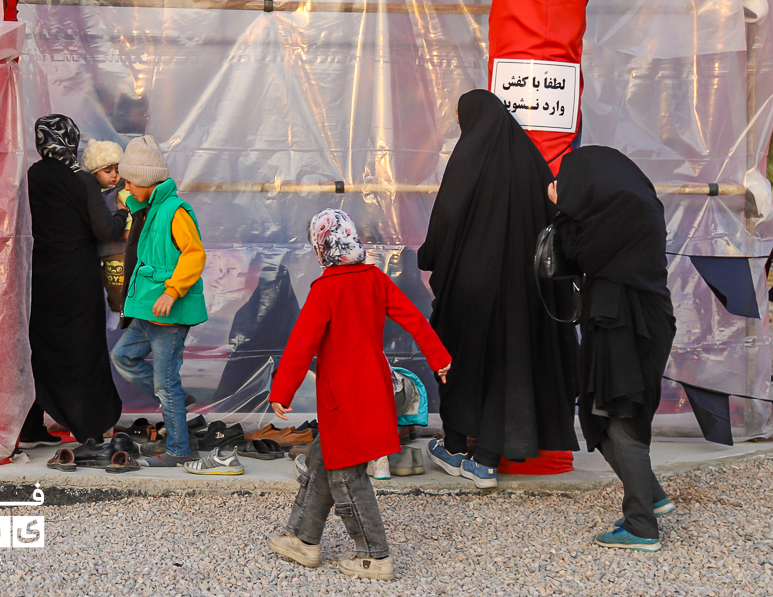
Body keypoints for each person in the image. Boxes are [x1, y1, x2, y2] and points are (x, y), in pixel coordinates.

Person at [266, 209, 451, 581]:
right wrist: (440, 358)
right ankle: (302, 538)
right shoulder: (375, 278)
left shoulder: (325, 289)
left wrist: (282, 390)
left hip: (341, 397)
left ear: (321, 247)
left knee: (347, 476)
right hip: (375, 389)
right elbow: (414, 318)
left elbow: (301, 344)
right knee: (322, 459)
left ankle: (373, 555)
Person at [418, 89, 580, 489]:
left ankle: (455, 445)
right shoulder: (532, 162)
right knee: (507, 365)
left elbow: (448, 215)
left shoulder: (468, 159)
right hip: (524, 293)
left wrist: (430, 255)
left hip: (471, 288)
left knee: (460, 359)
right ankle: (487, 460)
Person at [550, 144, 677, 552]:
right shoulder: (635, 207)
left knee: (619, 416)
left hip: (622, 324)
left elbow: (573, 254)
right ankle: (652, 497)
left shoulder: (607, 222)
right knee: (600, 412)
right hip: (639, 320)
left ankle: (641, 526)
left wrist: (561, 207)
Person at [22, 115, 128, 447]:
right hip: (77, 278)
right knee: (83, 350)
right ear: (71, 139)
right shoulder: (80, 179)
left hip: (39, 279)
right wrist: (122, 213)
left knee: (40, 351)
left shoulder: (30, 176)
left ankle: (31, 428)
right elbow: (105, 231)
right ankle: (90, 428)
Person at [109, 135, 208, 467]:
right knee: (123, 357)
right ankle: (176, 401)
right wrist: (125, 192)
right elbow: (129, 194)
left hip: (168, 313)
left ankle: (179, 449)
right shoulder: (148, 206)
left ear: (147, 180)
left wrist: (172, 290)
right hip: (147, 312)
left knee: (166, 385)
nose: (125, 186)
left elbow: (194, 254)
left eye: (130, 181)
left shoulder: (174, 211)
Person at [81, 138, 132, 313]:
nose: (114, 176)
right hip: (96, 252)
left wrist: (127, 229)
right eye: (107, 171)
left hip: (117, 252)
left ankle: (126, 318)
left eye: (117, 171)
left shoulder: (122, 192)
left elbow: (132, 213)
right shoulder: (90, 193)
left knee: (119, 293)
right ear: (93, 173)